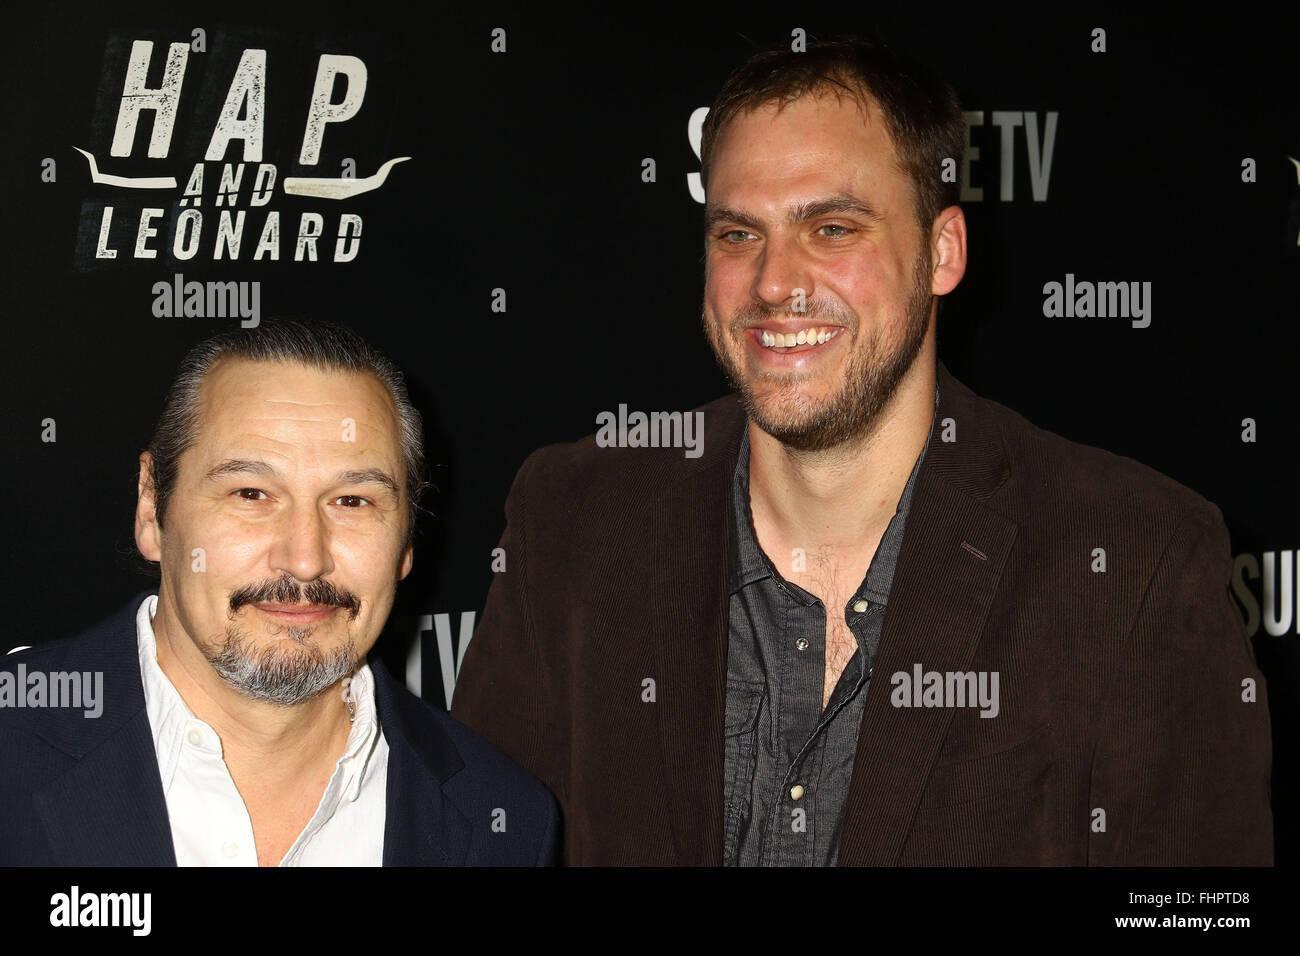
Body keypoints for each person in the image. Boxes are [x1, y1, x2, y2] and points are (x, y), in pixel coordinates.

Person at [451, 35, 1273, 865]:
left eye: (832, 228)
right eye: (738, 234)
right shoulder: (578, 518)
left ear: (943, 252)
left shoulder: (1132, 556)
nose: (775, 283)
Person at [0, 319, 558, 866]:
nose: (305, 557)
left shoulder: (501, 819)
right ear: (151, 508)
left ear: (407, 538)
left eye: (353, 500)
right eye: (251, 493)